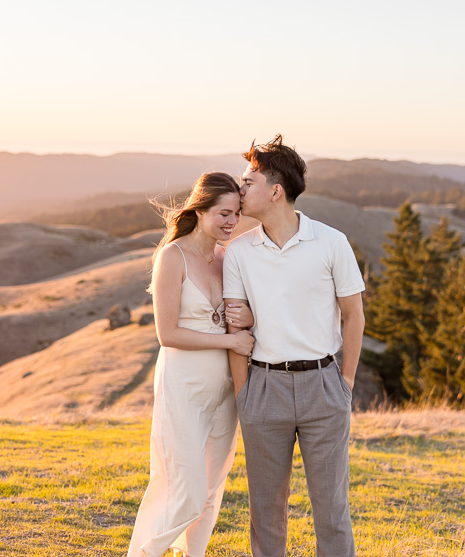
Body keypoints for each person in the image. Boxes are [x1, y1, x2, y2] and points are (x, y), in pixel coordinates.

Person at [223, 135, 366, 557]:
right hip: (262, 389)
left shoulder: (331, 242)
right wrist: (243, 393)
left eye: (247, 181)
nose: (240, 189)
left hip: (324, 386)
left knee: (331, 509)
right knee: (265, 510)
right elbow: (236, 326)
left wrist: (346, 384)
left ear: (275, 191)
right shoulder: (238, 252)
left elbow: (354, 315)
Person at [128, 172, 257, 557]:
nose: (232, 222)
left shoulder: (226, 256)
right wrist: (231, 339)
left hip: (225, 391)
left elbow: (243, 316)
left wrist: (246, 321)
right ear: (199, 210)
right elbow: (167, 333)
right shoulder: (172, 256)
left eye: (236, 213)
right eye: (223, 213)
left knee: (212, 490)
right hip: (184, 388)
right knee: (185, 491)